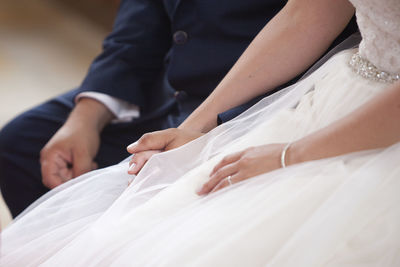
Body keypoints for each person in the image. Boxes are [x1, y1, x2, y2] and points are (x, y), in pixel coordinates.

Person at [2, 0, 400, 266]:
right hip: (327, 95)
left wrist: (289, 155)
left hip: (358, 125)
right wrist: (195, 128)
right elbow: (306, 14)